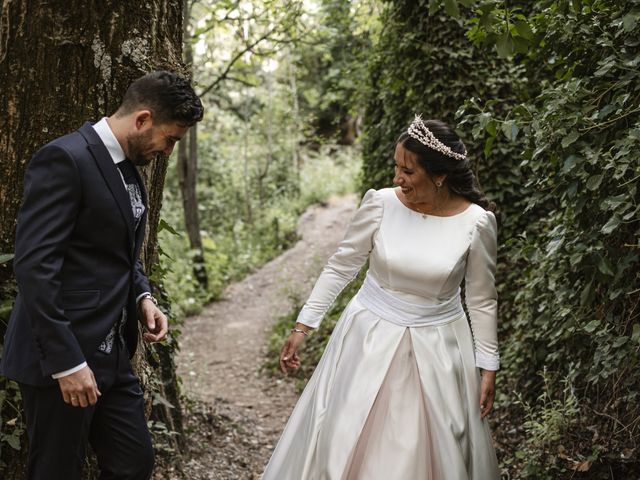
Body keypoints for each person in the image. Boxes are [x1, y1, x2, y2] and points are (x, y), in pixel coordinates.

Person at [263, 116, 501, 479]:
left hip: (439, 349)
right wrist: (304, 324)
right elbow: (342, 265)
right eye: (396, 167)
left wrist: (488, 365)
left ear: (439, 175)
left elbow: (482, 299)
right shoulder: (381, 204)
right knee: (343, 438)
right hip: (366, 338)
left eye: (407, 170)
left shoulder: (476, 223)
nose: (396, 178)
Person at [1, 70, 204, 480]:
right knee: (57, 471)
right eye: (170, 139)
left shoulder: (129, 166)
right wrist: (67, 362)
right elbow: (35, 267)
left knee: (133, 463)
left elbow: (123, 252)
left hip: (113, 355)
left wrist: (142, 296)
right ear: (143, 119)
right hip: (62, 356)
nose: (167, 151)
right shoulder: (65, 158)